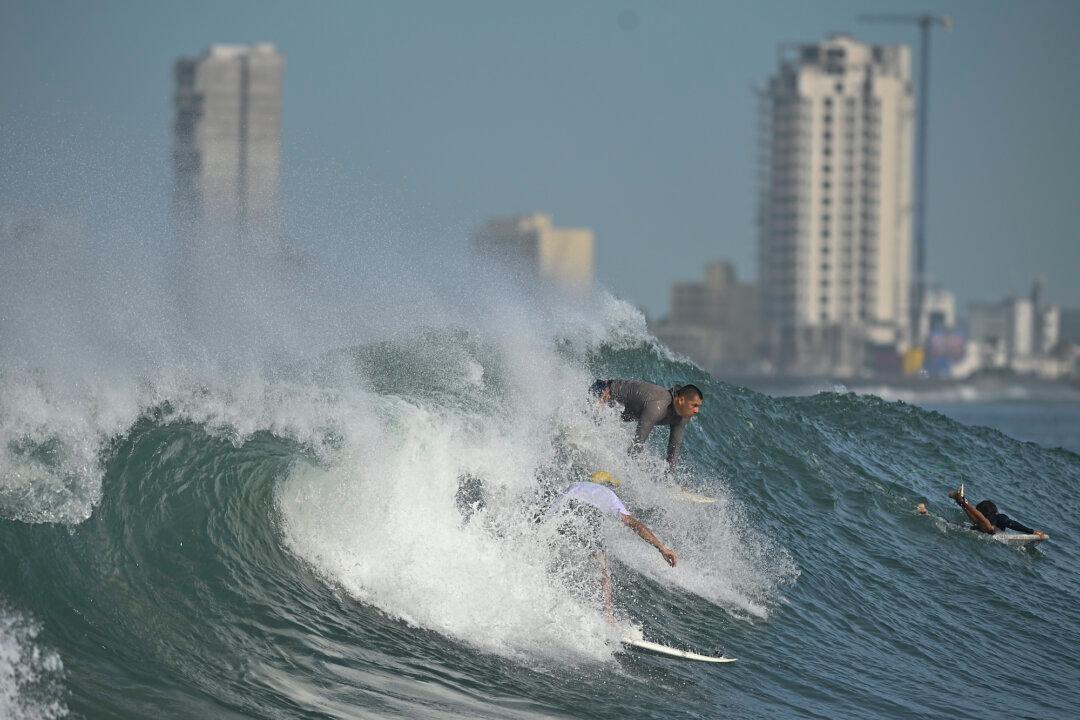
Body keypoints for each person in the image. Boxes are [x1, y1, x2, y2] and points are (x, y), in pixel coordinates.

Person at [545, 470, 677, 622]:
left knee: (550, 542)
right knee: (603, 570)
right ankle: (608, 616)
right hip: (589, 514)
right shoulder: (610, 496)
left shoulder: (576, 485)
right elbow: (634, 524)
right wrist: (662, 548)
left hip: (568, 509)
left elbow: (553, 509)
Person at [589, 379, 703, 468]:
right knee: (588, 431)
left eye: (698, 406)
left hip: (613, 409)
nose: (697, 411)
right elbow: (637, 444)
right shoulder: (658, 406)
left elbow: (674, 448)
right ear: (681, 400)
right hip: (603, 392)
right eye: (694, 405)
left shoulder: (682, 417)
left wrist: (668, 480)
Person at [947, 486, 1048, 539]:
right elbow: (1011, 523)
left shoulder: (981, 522)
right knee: (983, 523)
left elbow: (977, 516)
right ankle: (962, 501)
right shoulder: (998, 518)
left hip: (978, 528)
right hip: (987, 528)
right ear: (995, 511)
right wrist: (1031, 531)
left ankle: (961, 501)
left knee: (976, 521)